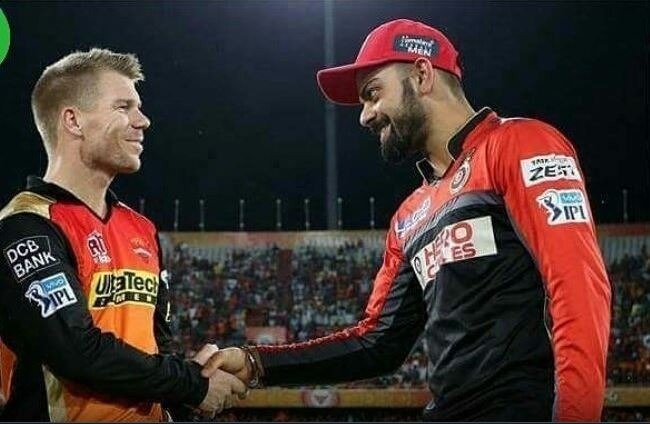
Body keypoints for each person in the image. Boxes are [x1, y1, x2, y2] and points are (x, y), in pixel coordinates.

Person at [201, 19, 611, 421]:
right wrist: (255, 362)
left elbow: (577, 285)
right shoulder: (409, 217)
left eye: (373, 94)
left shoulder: (521, 144)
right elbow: (377, 342)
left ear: (421, 74)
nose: (365, 116)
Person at [0, 48, 246, 421]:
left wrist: (191, 384)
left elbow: (158, 346)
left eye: (139, 108)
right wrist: (192, 384)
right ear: (73, 121)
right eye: (123, 107)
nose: (143, 120)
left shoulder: (140, 228)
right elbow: (77, 351)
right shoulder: (25, 226)